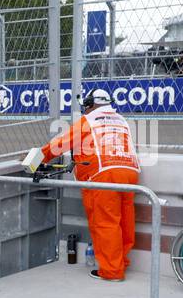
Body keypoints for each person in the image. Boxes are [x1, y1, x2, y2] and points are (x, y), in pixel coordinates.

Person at [22, 87, 140, 282]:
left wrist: (34, 159)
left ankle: (112, 271)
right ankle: (121, 262)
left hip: (104, 174)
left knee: (105, 223)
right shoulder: (121, 120)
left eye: (86, 106)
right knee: (125, 221)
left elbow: (60, 144)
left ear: (91, 105)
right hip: (129, 171)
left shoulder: (90, 120)